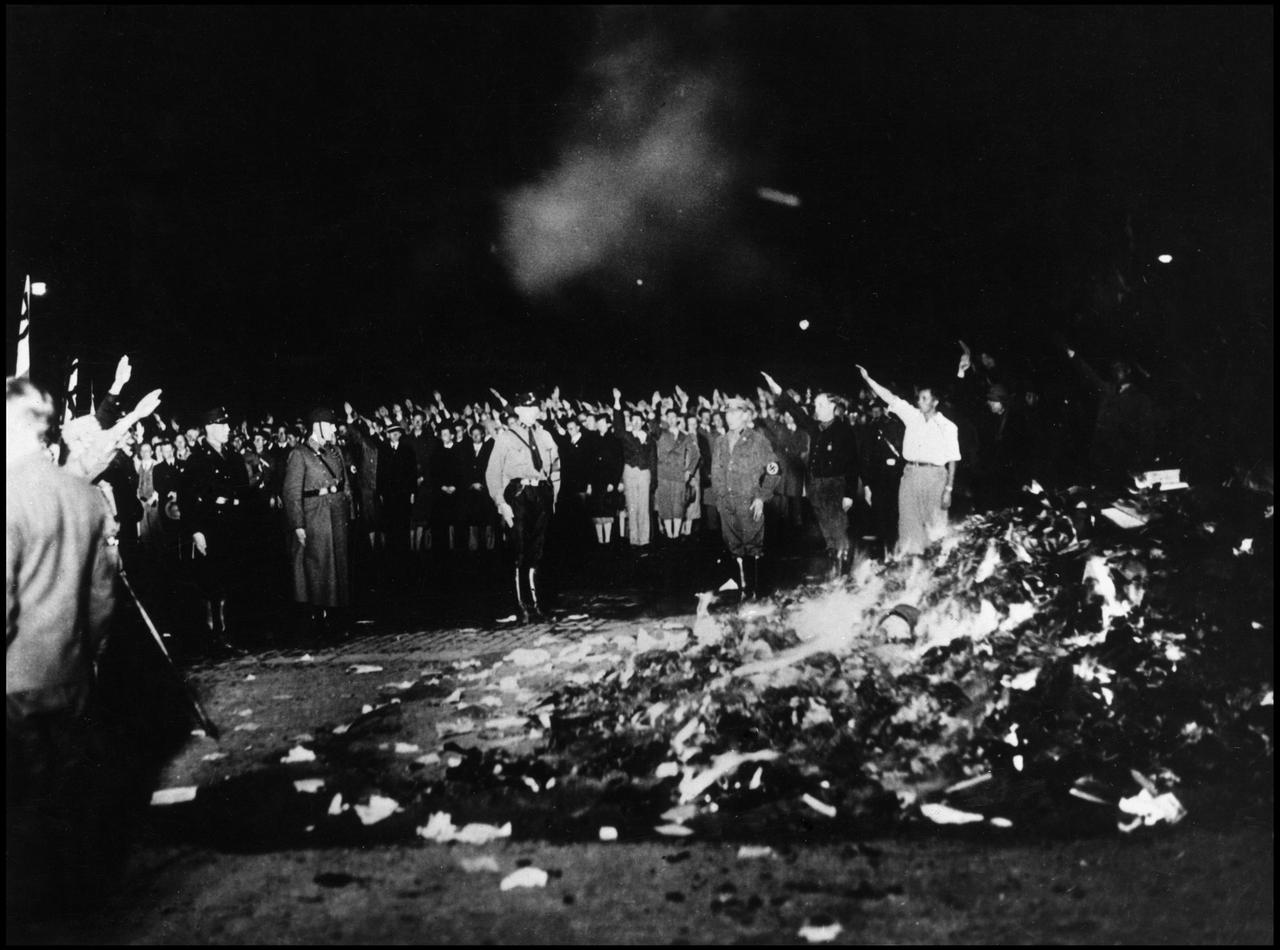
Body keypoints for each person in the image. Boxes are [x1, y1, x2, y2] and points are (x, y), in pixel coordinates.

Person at [7, 377, 118, 917]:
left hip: (16, 680)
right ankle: (78, 897)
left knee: (24, 798)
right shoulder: (84, 495)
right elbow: (102, 600)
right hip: (73, 672)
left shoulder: (8, 495)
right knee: (69, 790)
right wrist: (87, 654)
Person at [857, 365, 961, 557]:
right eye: (919, 398)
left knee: (935, 525)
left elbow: (953, 459)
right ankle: (912, 564)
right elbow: (889, 396)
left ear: (935, 402)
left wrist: (949, 490)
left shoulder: (948, 426)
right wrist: (868, 379)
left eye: (924, 398)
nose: (920, 402)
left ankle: (936, 565)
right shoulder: (911, 416)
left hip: (936, 476)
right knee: (908, 521)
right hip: (910, 475)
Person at [762, 373, 857, 577]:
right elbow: (795, 411)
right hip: (816, 486)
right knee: (826, 530)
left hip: (835, 486)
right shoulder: (815, 428)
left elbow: (852, 464)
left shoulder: (844, 431)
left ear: (832, 406)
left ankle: (844, 573)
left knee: (838, 529)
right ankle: (835, 568)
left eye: (820, 405)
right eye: (815, 405)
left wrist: (849, 494)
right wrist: (776, 388)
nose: (816, 408)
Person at [180, 406, 252, 650]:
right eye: (223, 425)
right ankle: (216, 635)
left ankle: (234, 631)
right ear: (210, 427)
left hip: (235, 522)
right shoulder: (197, 459)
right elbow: (187, 499)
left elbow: (244, 489)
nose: (229, 429)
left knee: (235, 577)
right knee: (214, 581)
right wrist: (196, 531)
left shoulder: (232, 455)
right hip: (212, 525)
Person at [485, 391, 560, 623]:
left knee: (538, 551)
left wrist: (553, 499)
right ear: (517, 411)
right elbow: (493, 473)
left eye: (535, 408)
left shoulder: (546, 436)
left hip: (541, 495)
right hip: (518, 496)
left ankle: (537, 606)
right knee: (519, 551)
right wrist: (501, 503)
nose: (532, 413)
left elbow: (556, 469)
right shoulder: (506, 437)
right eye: (527, 409)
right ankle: (521, 607)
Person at [283, 408, 354, 637]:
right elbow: (292, 493)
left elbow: (346, 485)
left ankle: (337, 615)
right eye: (330, 424)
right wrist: (298, 524)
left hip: (336, 513)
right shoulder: (300, 454)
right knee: (319, 566)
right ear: (318, 426)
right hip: (315, 515)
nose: (334, 428)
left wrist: (348, 512)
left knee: (338, 566)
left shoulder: (335, 452)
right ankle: (319, 616)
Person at [709, 395, 781, 598]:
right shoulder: (720, 442)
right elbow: (716, 472)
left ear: (745, 415)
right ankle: (742, 591)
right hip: (727, 503)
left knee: (753, 547)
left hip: (749, 502)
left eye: (735, 412)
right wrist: (720, 499)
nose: (729, 417)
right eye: (727, 413)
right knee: (734, 547)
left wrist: (761, 498)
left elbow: (774, 470)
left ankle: (754, 593)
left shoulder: (758, 441)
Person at [612, 389, 657, 549]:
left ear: (643, 422)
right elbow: (618, 427)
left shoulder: (649, 438)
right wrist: (617, 401)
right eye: (634, 420)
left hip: (644, 473)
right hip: (630, 472)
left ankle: (644, 540)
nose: (637, 422)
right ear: (631, 421)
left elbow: (653, 459)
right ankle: (634, 539)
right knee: (632, 506)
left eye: (639, 420)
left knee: (644, 506)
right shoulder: (626, 435)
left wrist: (654, 479)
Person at [654, 407, 701, 542]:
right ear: (666, 419)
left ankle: (676, 536)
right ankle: (670, 537)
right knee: (666, 507)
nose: (672, 420)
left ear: (678, 419)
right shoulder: (661, 433)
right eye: (669, 417)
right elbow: (652, 424)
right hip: (663, 476)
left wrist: (689, 471)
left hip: (679, 476)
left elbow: (696, 454)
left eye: (674, 417)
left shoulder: (685, 436)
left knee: (678, 507)